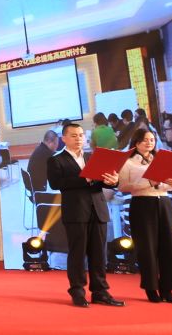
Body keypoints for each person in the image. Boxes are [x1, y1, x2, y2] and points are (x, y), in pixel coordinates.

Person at [47, 123, 124, 308]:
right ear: (64, 138)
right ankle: (78, 292)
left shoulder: (92, 157)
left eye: (81, 135)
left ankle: (100, 292)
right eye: (74, 135)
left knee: (99, 254)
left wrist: (114, 181)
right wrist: (85, 178)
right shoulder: (56, 160)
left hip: (98, 210)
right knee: (78, 254)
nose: (79, 138)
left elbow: (103, 182)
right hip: (76, 212)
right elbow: (56, 183)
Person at [117, 129, 172, 303]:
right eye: (145, 140)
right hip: (142, 205)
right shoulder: (128, 162)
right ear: (136, 142)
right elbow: (122, 186)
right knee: (147, 248)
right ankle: (151, 289)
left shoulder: (161, 160)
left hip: (164, 202)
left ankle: (167, 289)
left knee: (169, 247)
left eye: (152, 139)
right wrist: (149, 182)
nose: (149, 143)